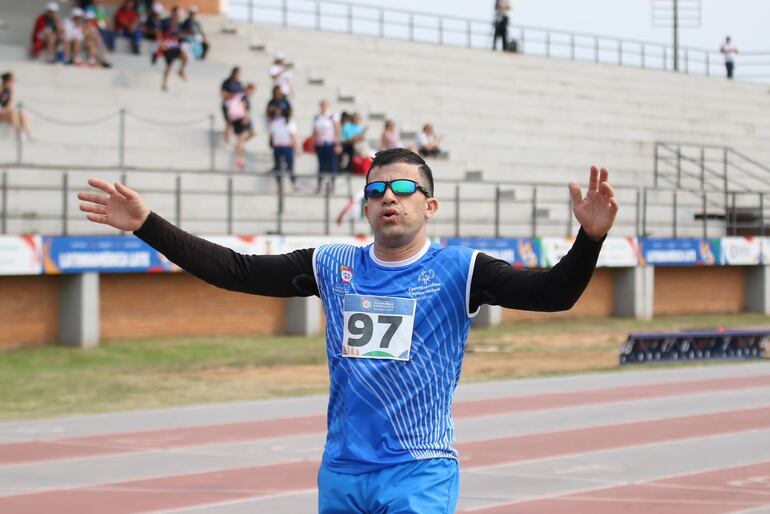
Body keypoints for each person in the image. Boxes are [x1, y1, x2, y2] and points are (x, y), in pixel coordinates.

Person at [78, 150, 617, 514]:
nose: (389, 196)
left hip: (418, 470)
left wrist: (589, 239)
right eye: (377, 189)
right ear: (364, 206)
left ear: (428, 206)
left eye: (405, 188)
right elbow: (234, 270)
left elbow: (554, 294)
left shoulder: (463, 269)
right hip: (342, 471)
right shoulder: (332, 264)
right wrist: (148, 224)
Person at [313, 99, 341, 193]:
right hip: (320, 144)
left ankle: (332, 185)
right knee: (321, 165)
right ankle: (319, 185)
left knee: (332, 164)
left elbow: (337, 129)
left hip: (330, 143)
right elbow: (315, 131)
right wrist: (314, 142)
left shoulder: (333, 115)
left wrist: (337, 144)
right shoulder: (317, 117)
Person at [227, 83, 256, 171]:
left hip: (240, 119)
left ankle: (239, 154)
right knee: (241, 140)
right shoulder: (244, 97)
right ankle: (239, 159)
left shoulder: (241, 96)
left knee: (250, 134)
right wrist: (245, 117)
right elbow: (243, 108)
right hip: (241, 120)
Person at [158, 6, 188, 91]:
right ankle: (164, 83)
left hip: (175, 45)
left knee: (185, 57)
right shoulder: (166, 22)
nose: (176, 16)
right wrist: (161, 43)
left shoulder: (178, 24)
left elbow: (178, 35)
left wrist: (180, 37)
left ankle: (181, 71)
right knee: (169, 65)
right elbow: (159, 32)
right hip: (167, 46)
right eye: (175, 14)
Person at [268, 111, 298, 190]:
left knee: (278, 166)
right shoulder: (290, 123)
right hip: (286, 146)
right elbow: (292, 136)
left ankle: (280, 183)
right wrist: (296, 148)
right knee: (290, 166)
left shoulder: (274, 122)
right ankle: (293, 183)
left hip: (278, 146)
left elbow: (271, 136)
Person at [0, 73, 32, 139]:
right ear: (7, 81)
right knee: (12, 113)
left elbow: (8, 105)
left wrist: (11, 92)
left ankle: (28, 134)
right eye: (12, 81)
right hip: (2, 112)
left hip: (4, 111)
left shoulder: (9, 90)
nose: (13, 83)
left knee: (23, 114)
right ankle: (17, 133)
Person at [220, 67, 244, 145]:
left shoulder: (239, 83)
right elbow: (223, 93)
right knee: (228, 122)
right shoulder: (227, 82)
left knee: (237, 124)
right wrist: (231, 96)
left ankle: (235, 142)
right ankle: (227, 140)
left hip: (236, 106)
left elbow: (242, 95)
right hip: (228, 105)